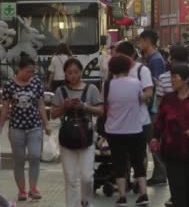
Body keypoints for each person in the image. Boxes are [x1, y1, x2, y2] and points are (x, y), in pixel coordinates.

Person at [151, 64, 189, 207]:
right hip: (172, 150)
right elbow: (159, 121)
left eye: (175, 77)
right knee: (177, 189)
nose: (171, 80)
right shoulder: (168, 99)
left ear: (186, 80)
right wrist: (155, 137)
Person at [51, 58, 103, 207]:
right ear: (65, 74)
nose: (72, 75)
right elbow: (53, 114)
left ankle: (87, 202)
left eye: (75, 72)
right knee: (70, 177)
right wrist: (64, 106)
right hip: (67, 137)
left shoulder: (91, 89)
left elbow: (100, 110)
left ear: (81, 72)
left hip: (86, 136)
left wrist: (84, 106)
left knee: (87, 176)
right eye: (69, 73)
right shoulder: (60, 91)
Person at [0, 56, 51, 202]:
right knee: (19, 160)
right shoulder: (9, 86)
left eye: (32, 72)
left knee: (35, 156)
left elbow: (41, 104)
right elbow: (5, 108)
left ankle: (33, 188)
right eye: (28, 71)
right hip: (17, 127)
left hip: (34, 125)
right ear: (20, 69)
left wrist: (46, 123)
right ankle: (22, 190)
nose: (30, 74)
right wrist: (1, 125)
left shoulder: (36, 83)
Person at [104, 54, 149, 206]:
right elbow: (141, 98)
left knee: (119, 163)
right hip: (135, 128)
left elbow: (106, 104)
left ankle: (122, 196)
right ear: (128, 66)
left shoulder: (108, 84)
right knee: (138, 161)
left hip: (114, 130)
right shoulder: (136, 82)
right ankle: (143, 194)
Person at [137, 30, 167, 186]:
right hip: (149, 107)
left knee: (152, 139)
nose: (139, 44)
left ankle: (160, 172)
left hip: (152, 107)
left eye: (141, 41)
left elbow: (156, 84)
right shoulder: (149, 58)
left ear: (147, 41)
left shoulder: (155, 60)